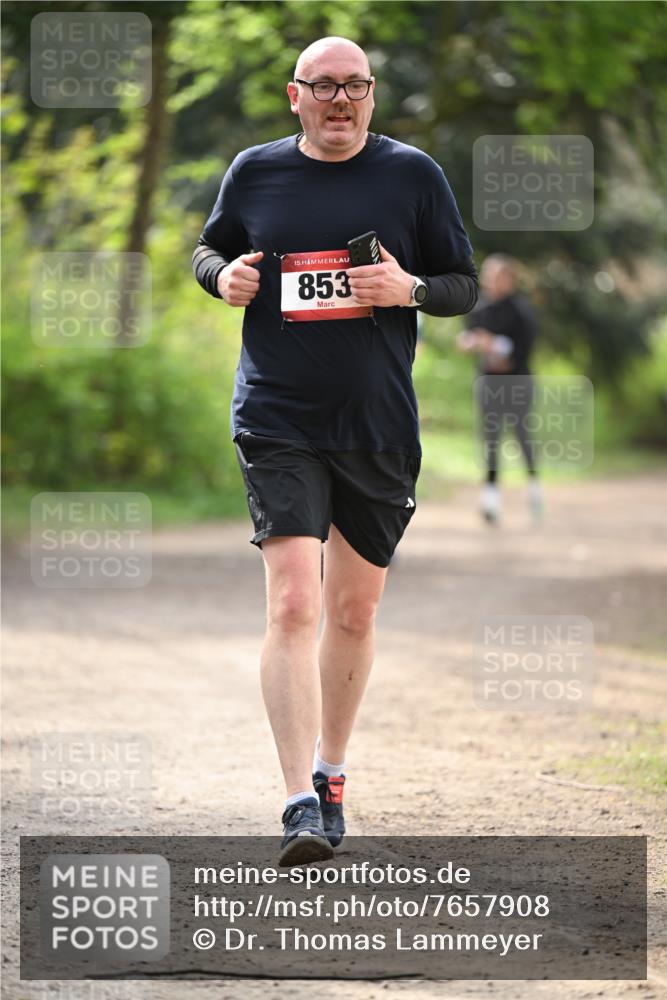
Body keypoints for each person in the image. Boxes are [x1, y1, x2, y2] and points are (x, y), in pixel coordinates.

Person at [193, 36, 478, 866]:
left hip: (376, 424)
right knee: (292, 602)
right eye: (324, 87)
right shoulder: (254, 172)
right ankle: (294, 808)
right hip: (277, 416)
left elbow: (459, 279)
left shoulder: (412, 175)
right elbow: (209, 248)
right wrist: (222, 278)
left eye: (355, 86)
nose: (340, 100)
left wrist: (411, 289)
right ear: (295, 97)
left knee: (353, 611)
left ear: (372, 94)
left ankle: (331, 777)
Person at [457, 254, 542, 524]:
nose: (492, 281)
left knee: (521, 433)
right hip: (489, 382)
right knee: (490, 437)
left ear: (509, 279)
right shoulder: (480, 309)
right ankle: (490, 498)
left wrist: (493, 343)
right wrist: (472, 343)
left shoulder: (520, 311)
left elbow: (523, 349)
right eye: (489, 275)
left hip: (517, 382)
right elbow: (470, 337)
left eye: (497, 276)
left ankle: (534, 487)